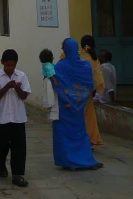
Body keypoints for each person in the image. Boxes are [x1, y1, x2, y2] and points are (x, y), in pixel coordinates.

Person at [52, 38, 102, 171]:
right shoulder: (85, 66)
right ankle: (84, 159)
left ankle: (69, 162)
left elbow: (55, 83)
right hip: (79, 106)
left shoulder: (60, 66)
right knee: (80, 132)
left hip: (64, 106)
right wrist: (78, 99)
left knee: (64, 134)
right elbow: (89, 86)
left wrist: (68, 98)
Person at [0, 49, 31, 187]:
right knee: (0, 146)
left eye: (13, 65)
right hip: (1, 118)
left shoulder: (22, 75)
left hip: (18, 117)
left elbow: (24, 96)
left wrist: (17, 88)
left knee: (19, 147)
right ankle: (1, 164)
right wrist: (8, 86)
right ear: (2, 63)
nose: (11, 68)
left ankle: (17, 174)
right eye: (8, 65)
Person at [40, 49, 59, 122]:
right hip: (50, 81)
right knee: (52, 97)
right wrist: (55, 81)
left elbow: (51, 73)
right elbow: (51, 73)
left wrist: (55, 81)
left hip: (48, 81)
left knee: (50, 97)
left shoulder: (46, 65)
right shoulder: (48, 65)